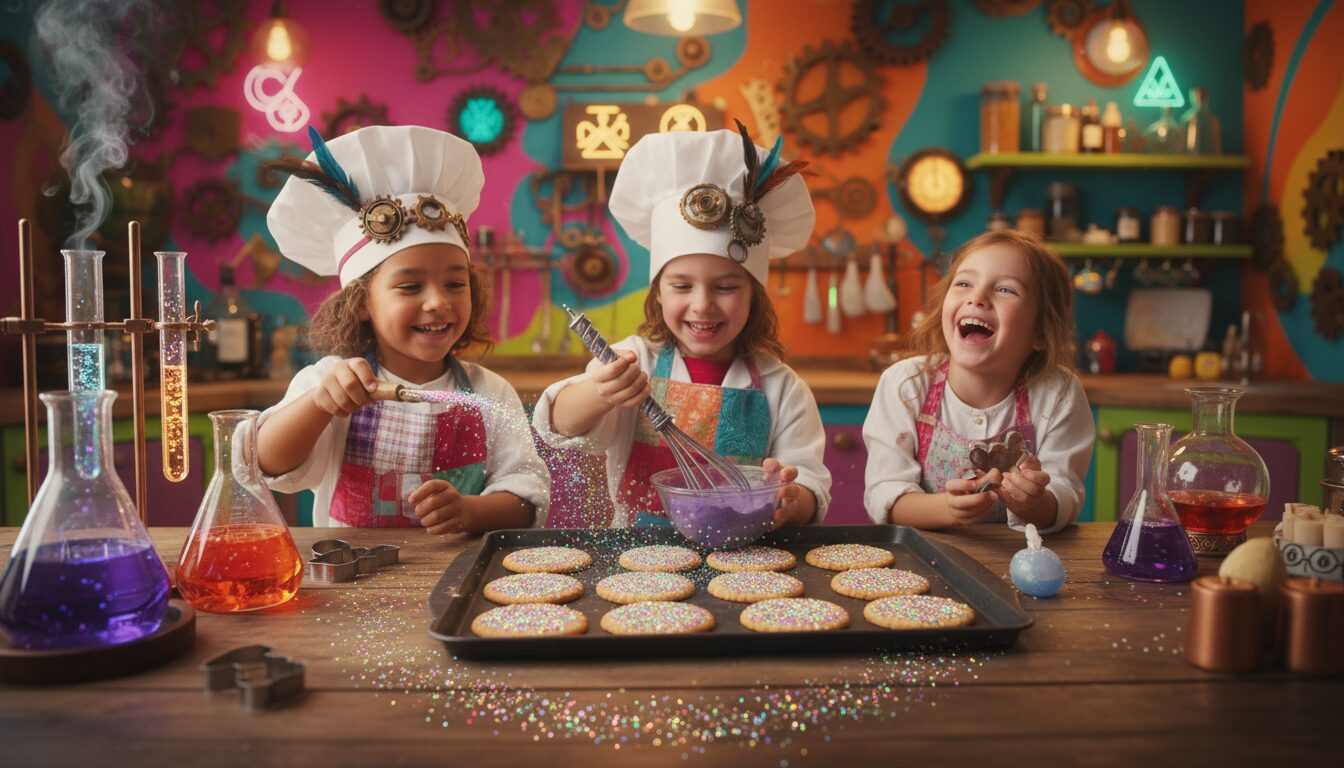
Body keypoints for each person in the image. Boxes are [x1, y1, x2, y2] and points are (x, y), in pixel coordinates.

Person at [532, 125, 831, 529]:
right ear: (658, 293)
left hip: (746, 554)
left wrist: (790, 501)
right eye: (682, 286)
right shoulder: (635, 361)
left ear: (754, 295)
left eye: (726, 287)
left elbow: (809, 485)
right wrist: (600, 391)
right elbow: (559, 425)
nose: (702, 304)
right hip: (637, 555)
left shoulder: (784, 389)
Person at [256, 125, 549, 533]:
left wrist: (471, 512)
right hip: (350, 571)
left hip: (458, 570)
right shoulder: (328, 382)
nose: (438, 302)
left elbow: (528, 497)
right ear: (361, 303)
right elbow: (267, 463)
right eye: (410, 286)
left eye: (455, 284)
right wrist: (320, 404)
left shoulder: (490, 393)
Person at [863, 229, 1093, 533]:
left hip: (1020, 556)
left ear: (1040, 331)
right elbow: (886, 496)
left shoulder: (1058, 393)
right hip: (923, 555)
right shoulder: (905, 384)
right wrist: (947, 509)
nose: (977, 297)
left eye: (1006, 289)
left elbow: (1065, 493)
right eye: (963, 283)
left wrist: (1034, 503)